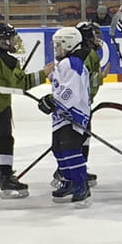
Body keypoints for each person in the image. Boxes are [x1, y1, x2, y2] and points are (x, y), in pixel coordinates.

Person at [0, 23, 47, 198]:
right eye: (11, 38)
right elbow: (21, 83)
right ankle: (6, 179)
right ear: (2, 41)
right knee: (5, 141)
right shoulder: (8, 61)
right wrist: (44, 73)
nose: (14, 41)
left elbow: (1, 79)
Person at [38, 27, 92, 207]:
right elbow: (60, 84)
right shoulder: (64, 62)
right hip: (62, 114)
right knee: (58, 149)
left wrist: (54, 101)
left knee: (70, 150)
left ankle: (81, 185)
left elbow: (71, 90)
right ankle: (68, 181)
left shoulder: (72, 62)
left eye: (59, 45)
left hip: (73, 114)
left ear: (69, 43)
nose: (56, 48)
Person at [52, 21, 108, 188]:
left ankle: (68, 172)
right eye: (94, 35)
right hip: (77, 106)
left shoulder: (71, 57)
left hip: (70, 104)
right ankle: (74, 173)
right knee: (77, 141)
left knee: (68, 142)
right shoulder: (87, 55)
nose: (97, 39)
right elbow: (86, 82)